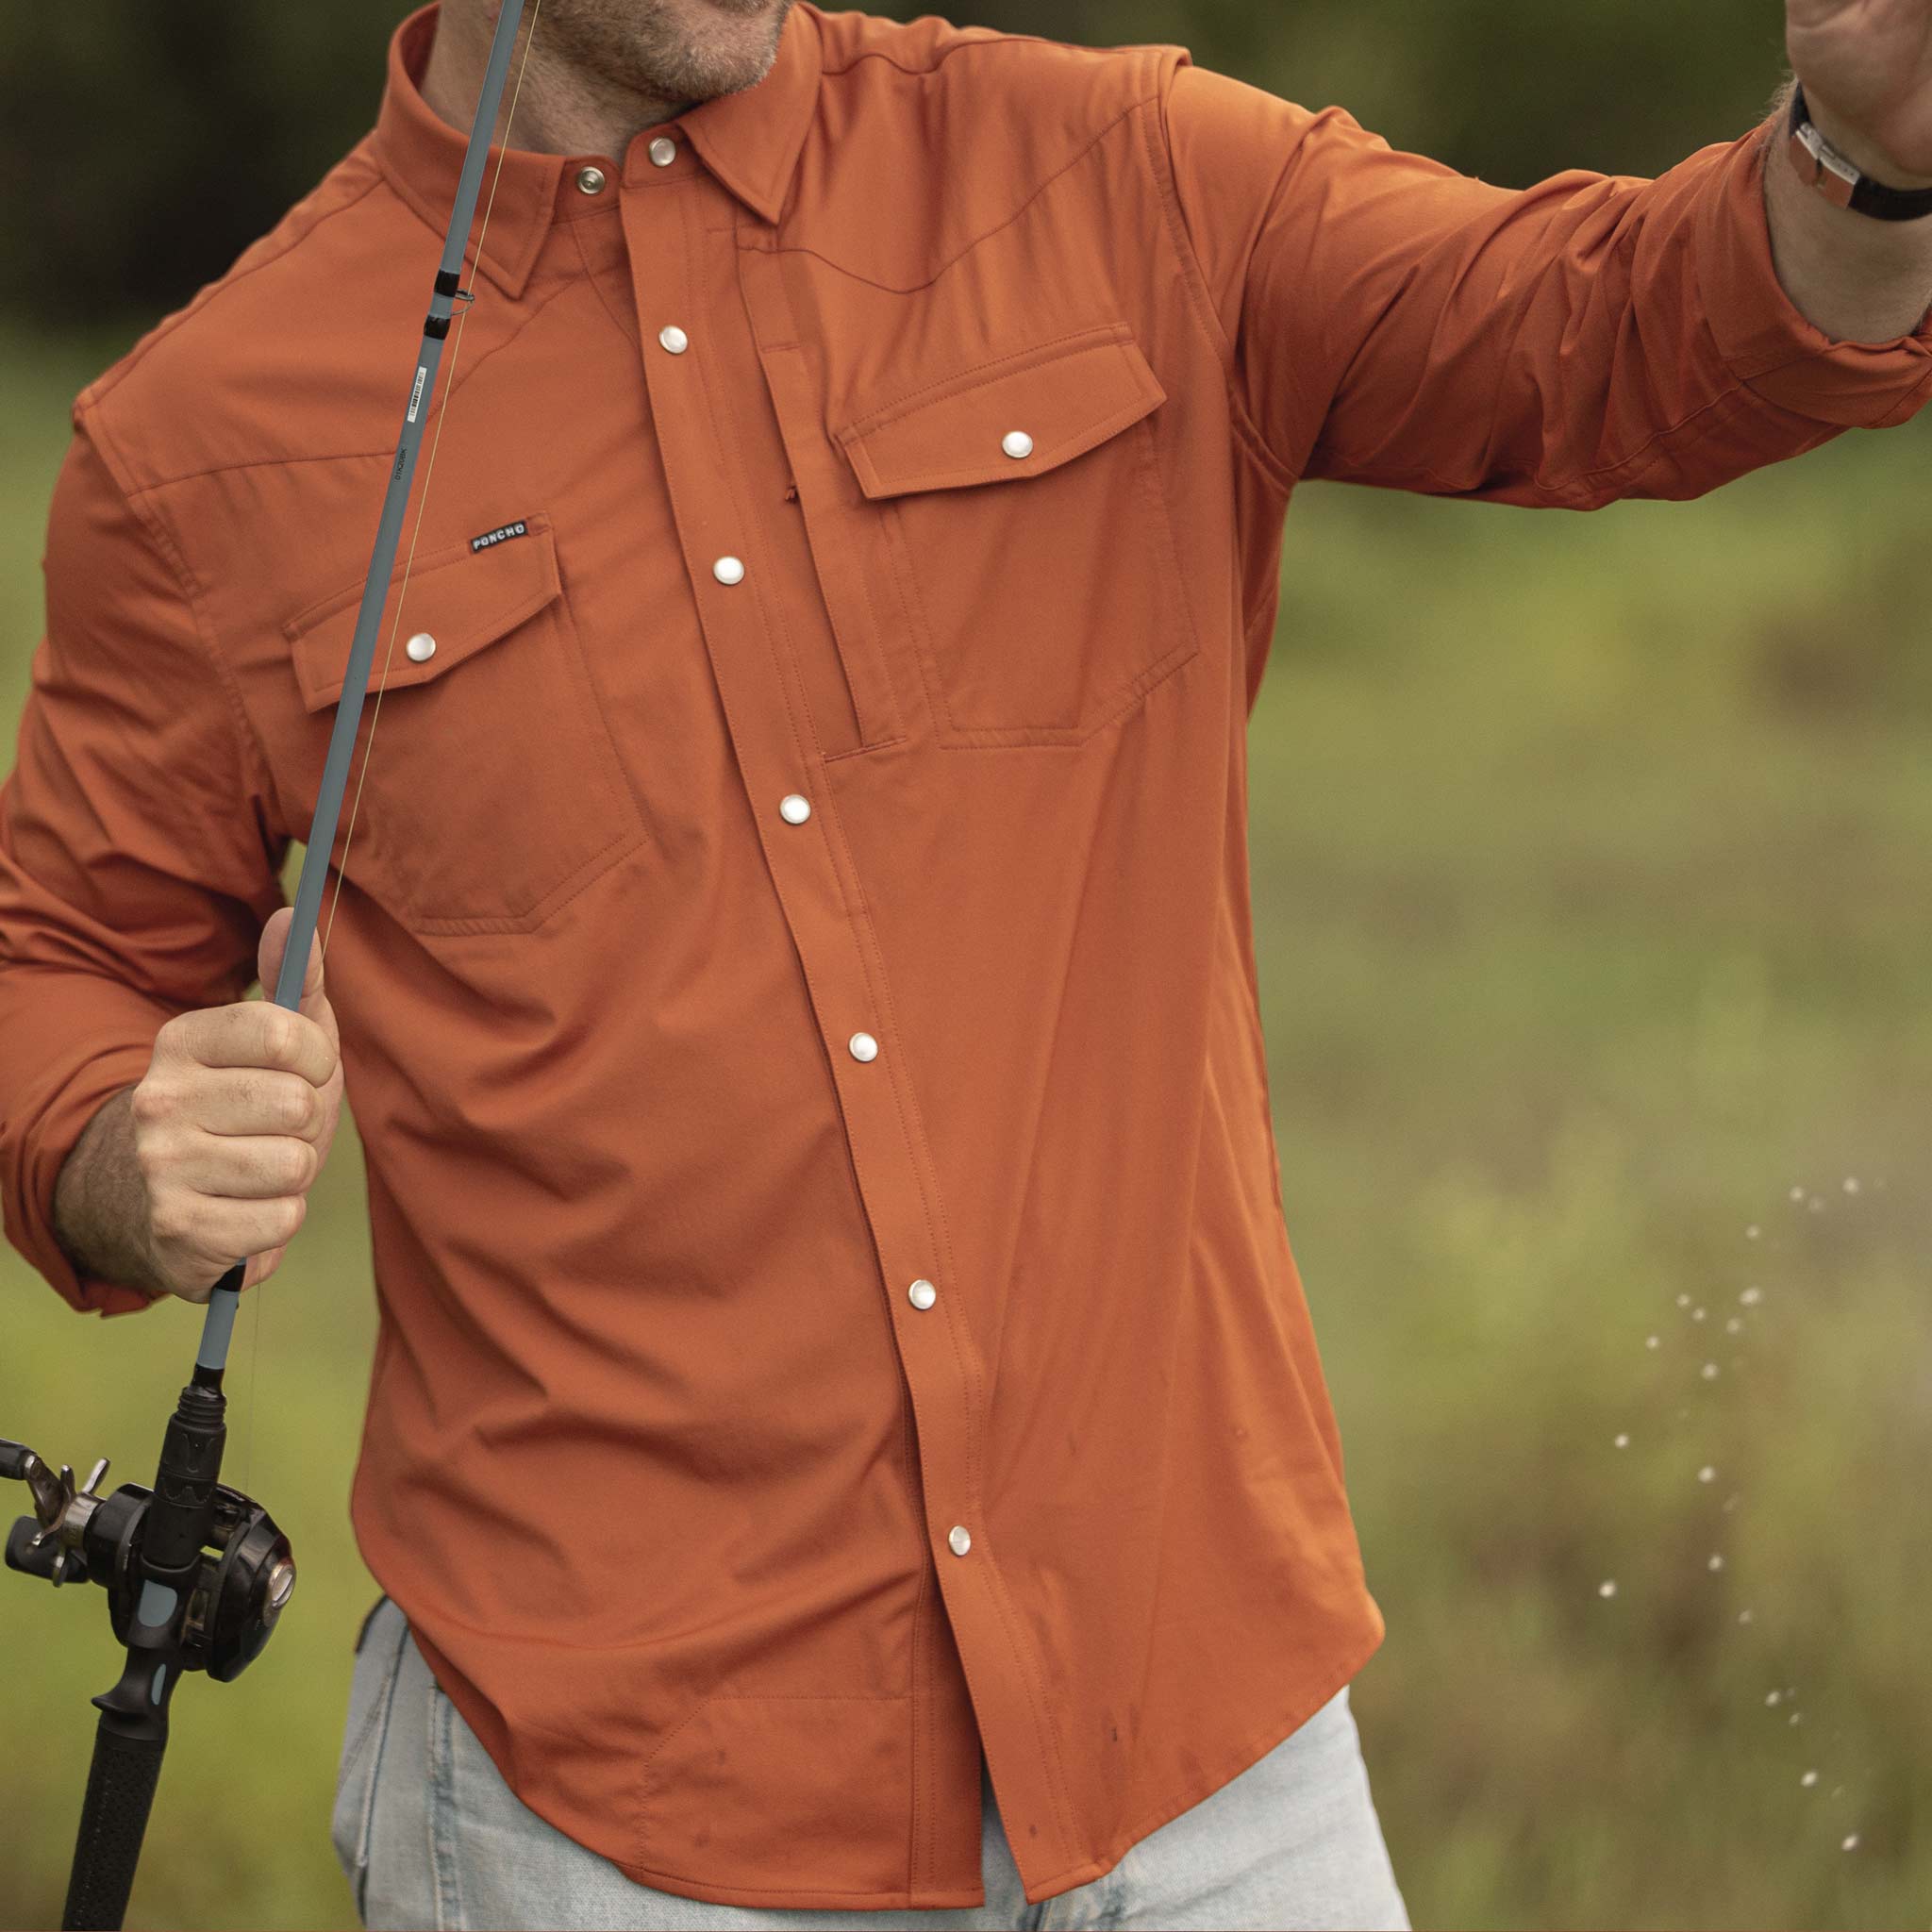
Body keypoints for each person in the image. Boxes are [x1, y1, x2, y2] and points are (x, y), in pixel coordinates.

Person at [5, 1, 1931, 1925]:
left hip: (1208, 1763)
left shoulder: (1127, 172)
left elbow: (1617, 330)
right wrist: (123, 1151)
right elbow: (60, 965)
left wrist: (1867, 163)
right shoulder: (193, 447)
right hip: (608, 1815)